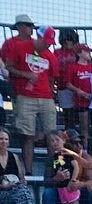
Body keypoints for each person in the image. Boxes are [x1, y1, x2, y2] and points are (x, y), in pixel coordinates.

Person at [0, 15, 58, 175]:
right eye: (46, 41)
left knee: (52, 136)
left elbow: (52, 78)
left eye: (50, 42)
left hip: (46, 97)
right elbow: (9, 68)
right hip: (25, 96)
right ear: (39, 37)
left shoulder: (51, 56)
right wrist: (26, 76)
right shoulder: (17, 46)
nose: (48, 44)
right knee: (27, 135)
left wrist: (50, 92)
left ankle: (55, 169)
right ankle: (29, 171)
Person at [0, 128, 38, 204]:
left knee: (22, 190)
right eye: (1, 139)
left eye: (6, 139)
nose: (3, 142)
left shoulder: (14, 157)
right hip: (1, 193)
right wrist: (3, 186)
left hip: (14, 193)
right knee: (24, 194)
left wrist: (21, 182)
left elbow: (22, 178)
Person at [45, 130, 84, 204]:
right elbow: (47, 178)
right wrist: (56, 178)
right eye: (52, 141)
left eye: (57, 140)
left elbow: (76, 167)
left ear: (63, 140)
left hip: (70, 187)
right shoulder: (53, 157)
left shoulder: (68, 153)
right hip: (61, 189)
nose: (54, 143)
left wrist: (73, 180)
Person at [64, 45, 92, 144]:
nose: (89, 54)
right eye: (86, 52)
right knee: (84, 126)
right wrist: (78, 91)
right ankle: (84, 147)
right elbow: (68, 84)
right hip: (81, 101)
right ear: (79, 53)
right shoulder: (73, 67)